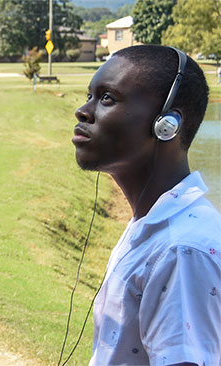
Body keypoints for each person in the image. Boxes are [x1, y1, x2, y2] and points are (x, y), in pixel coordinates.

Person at [73, 45, 220, 364]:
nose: (83, 111)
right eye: (89, 95)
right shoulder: (153, 226)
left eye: (107, 98)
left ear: (167, 124)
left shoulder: (181, 250)